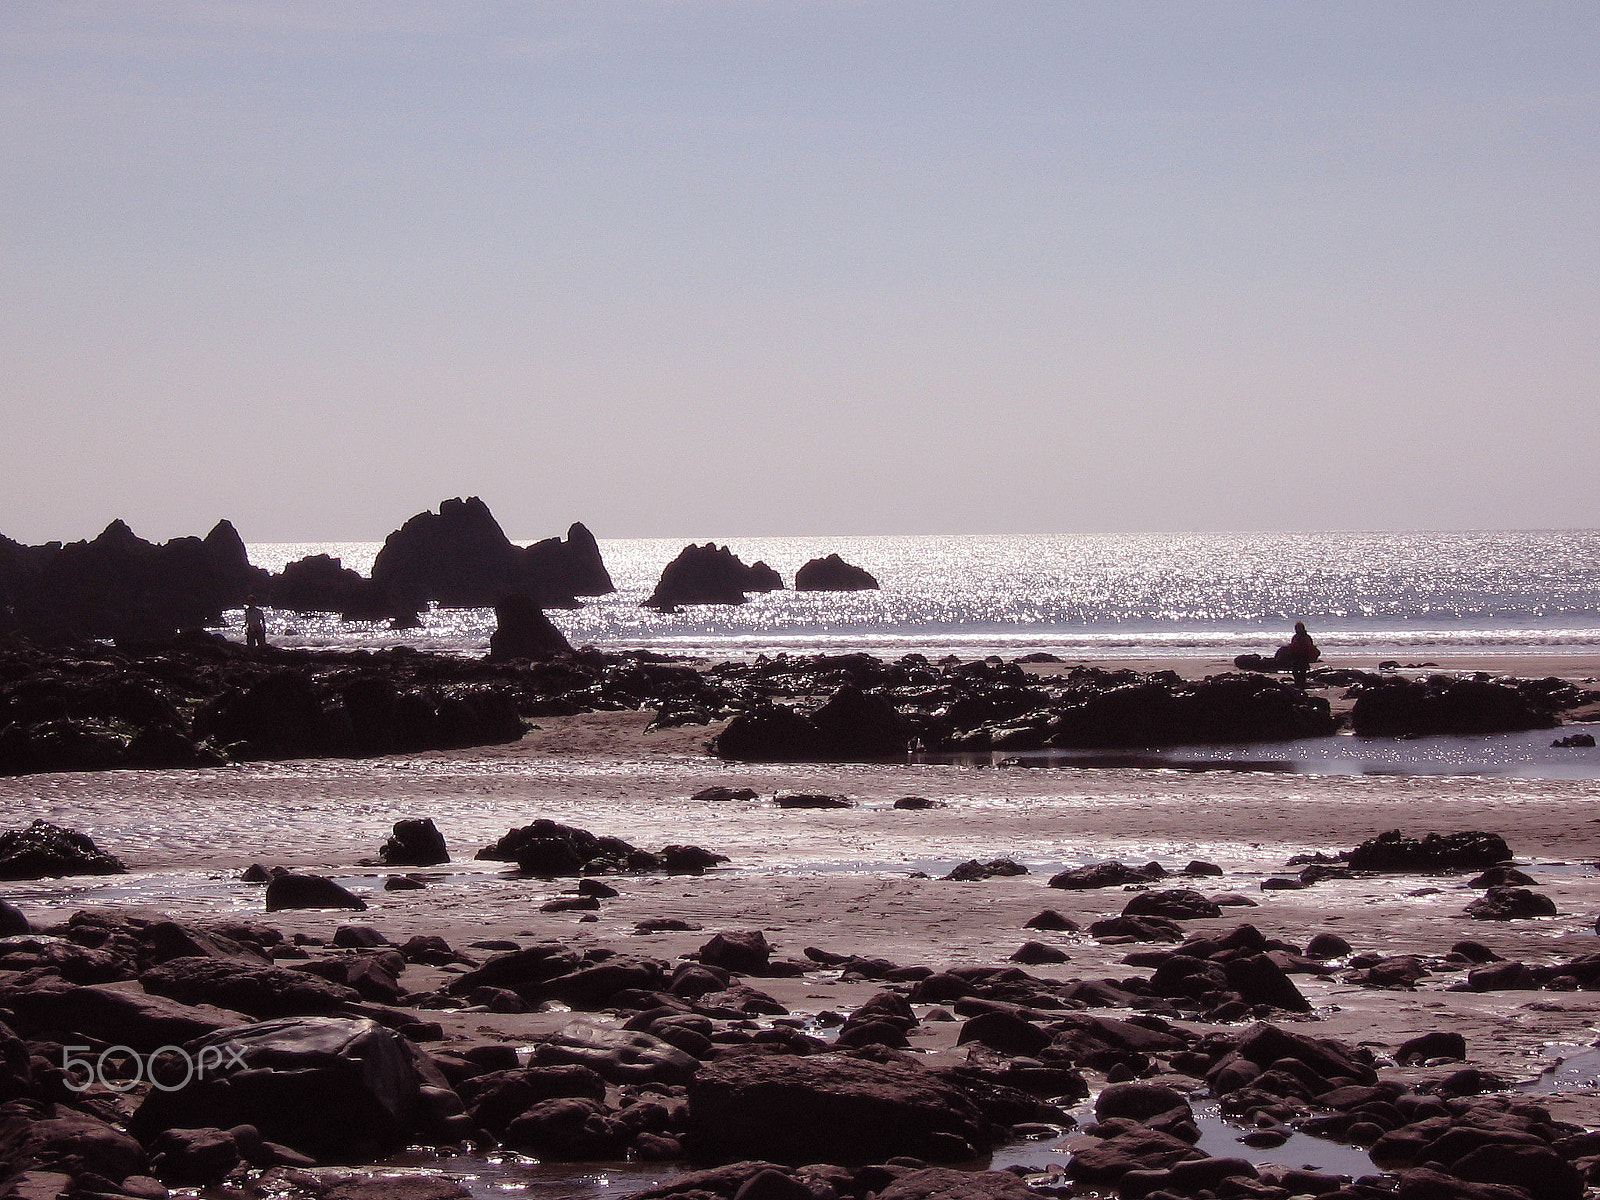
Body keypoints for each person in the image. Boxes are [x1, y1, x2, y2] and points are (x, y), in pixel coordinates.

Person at [1284, 621, 1320, 686]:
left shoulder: (1306, 637)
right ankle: (1298, 681)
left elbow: (1309, 646)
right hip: (1296, 656)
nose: (1296, 630)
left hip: (1303, 656)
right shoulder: (1296, 637)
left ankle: (1301, 682)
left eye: (1297, 628)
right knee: (1295, 671)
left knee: (1302, 671)